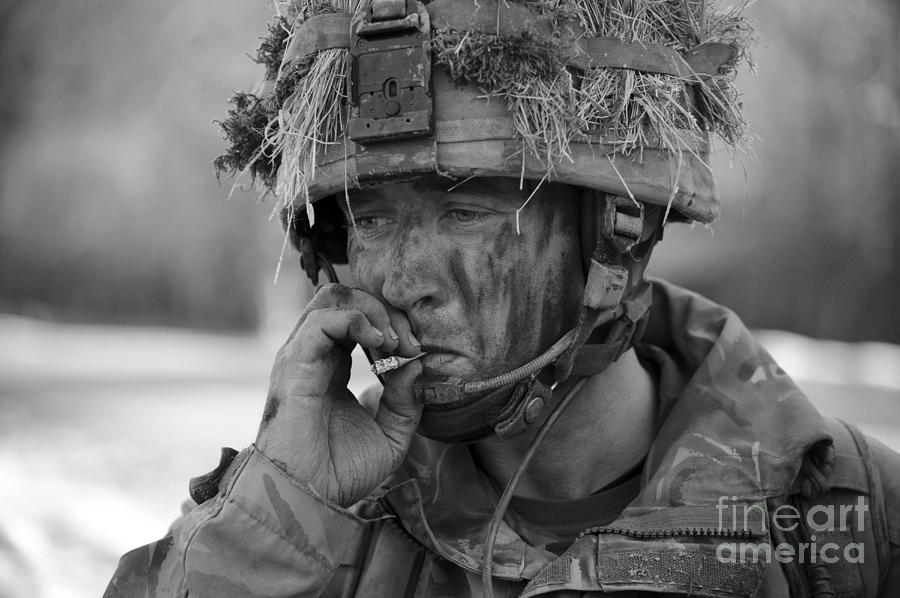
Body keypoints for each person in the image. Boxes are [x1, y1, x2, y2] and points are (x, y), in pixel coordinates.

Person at [106, 0, 900, 596]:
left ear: (615, 237)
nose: (401, 279)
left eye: (465, 212)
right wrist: (282, 510)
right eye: (372, 222)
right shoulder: (324, 513)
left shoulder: (845, 521)